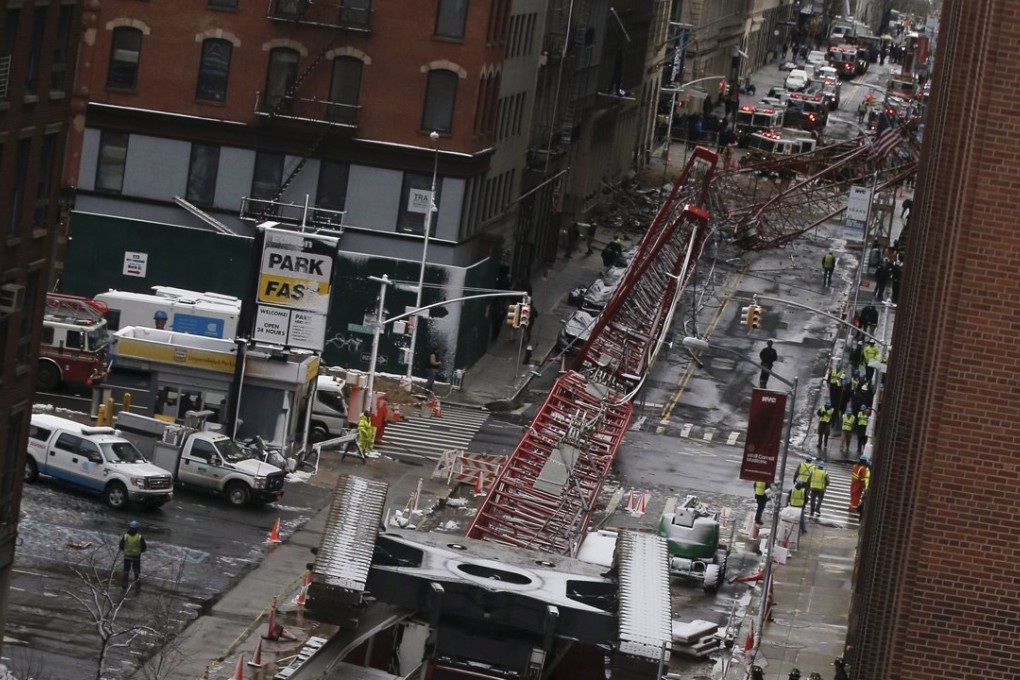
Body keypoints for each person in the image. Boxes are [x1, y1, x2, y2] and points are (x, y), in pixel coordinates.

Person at [119, 520, 147, 585]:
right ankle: (137, 584)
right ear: (137, 528)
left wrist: (126, 550)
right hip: (136, 557)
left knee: (126, 571)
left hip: (127, 556)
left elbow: (121, 546)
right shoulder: (140, 537)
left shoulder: (125, 536)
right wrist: (139, 551)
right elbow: (144, 547)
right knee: (136, 572)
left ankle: (124, 584)